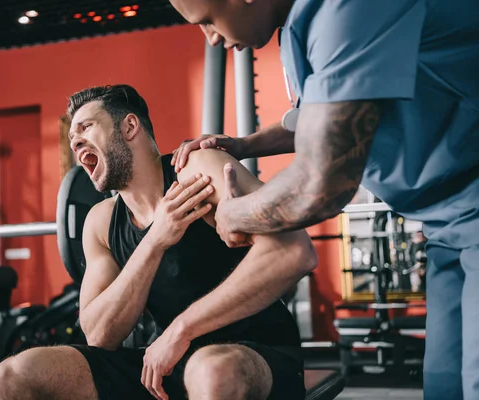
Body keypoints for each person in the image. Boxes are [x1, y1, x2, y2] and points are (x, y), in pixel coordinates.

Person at [168, 1, 479, 399]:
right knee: (445, 388)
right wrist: (245, 144)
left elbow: (321, 185)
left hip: (468, 207)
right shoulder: (301, 25)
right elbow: (319, 119)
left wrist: (235, 215)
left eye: (208, 20)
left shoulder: (346, 8)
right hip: (448, 226)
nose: (210, 37)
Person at [0, 85, 317, 400]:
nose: (76, 143)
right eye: (72, 140)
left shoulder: (195, 170)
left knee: (212, 371)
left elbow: (293, 252)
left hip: (253, 354)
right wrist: (155, 240)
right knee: (12, 377)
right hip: (164, 365)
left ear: (129, 126)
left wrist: (181, 330)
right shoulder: (101, 221)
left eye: (86, 127)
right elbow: (100, 335)